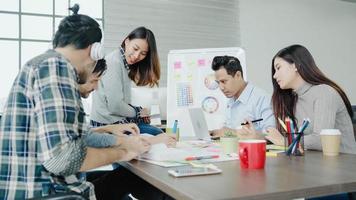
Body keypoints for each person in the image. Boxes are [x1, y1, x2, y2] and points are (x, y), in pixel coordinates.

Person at [0, 9, 169, 199]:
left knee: (129, 177)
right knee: (133, 180)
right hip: (49, 192)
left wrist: (119, 140)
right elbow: (62, 160)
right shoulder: (56, 67)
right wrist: (123, 152)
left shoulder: (43, 65)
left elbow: (77, 138)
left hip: (47, 185)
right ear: (94, 50)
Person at [265, 44, 356, 154]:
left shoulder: (324, 92)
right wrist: (257, 136)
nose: (274, 76)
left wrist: (285, 141)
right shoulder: (293, 99)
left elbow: (321, 140)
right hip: (314, 163)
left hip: (345, 165)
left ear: (295, 66)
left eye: (278, 68)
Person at [90, 26, 163, 135]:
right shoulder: (114, 62)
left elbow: (120, 104)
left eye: (143, 53)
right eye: (135, 48)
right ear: (127, 41)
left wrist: (139, 112)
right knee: (158, 134)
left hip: (116, 121)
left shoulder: (122, 63)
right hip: (107, 125)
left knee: (157, 133)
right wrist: (138, 113)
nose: (137, 56)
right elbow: (115, 106)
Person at [209, 55, 275, 139]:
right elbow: (228, 130)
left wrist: (231, 132)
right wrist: (216, 132)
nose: (221, 87)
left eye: (224, 81)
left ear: (238, 75)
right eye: (218, 82)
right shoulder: (231, 100)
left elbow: (271, 135)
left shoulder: (262, 98)